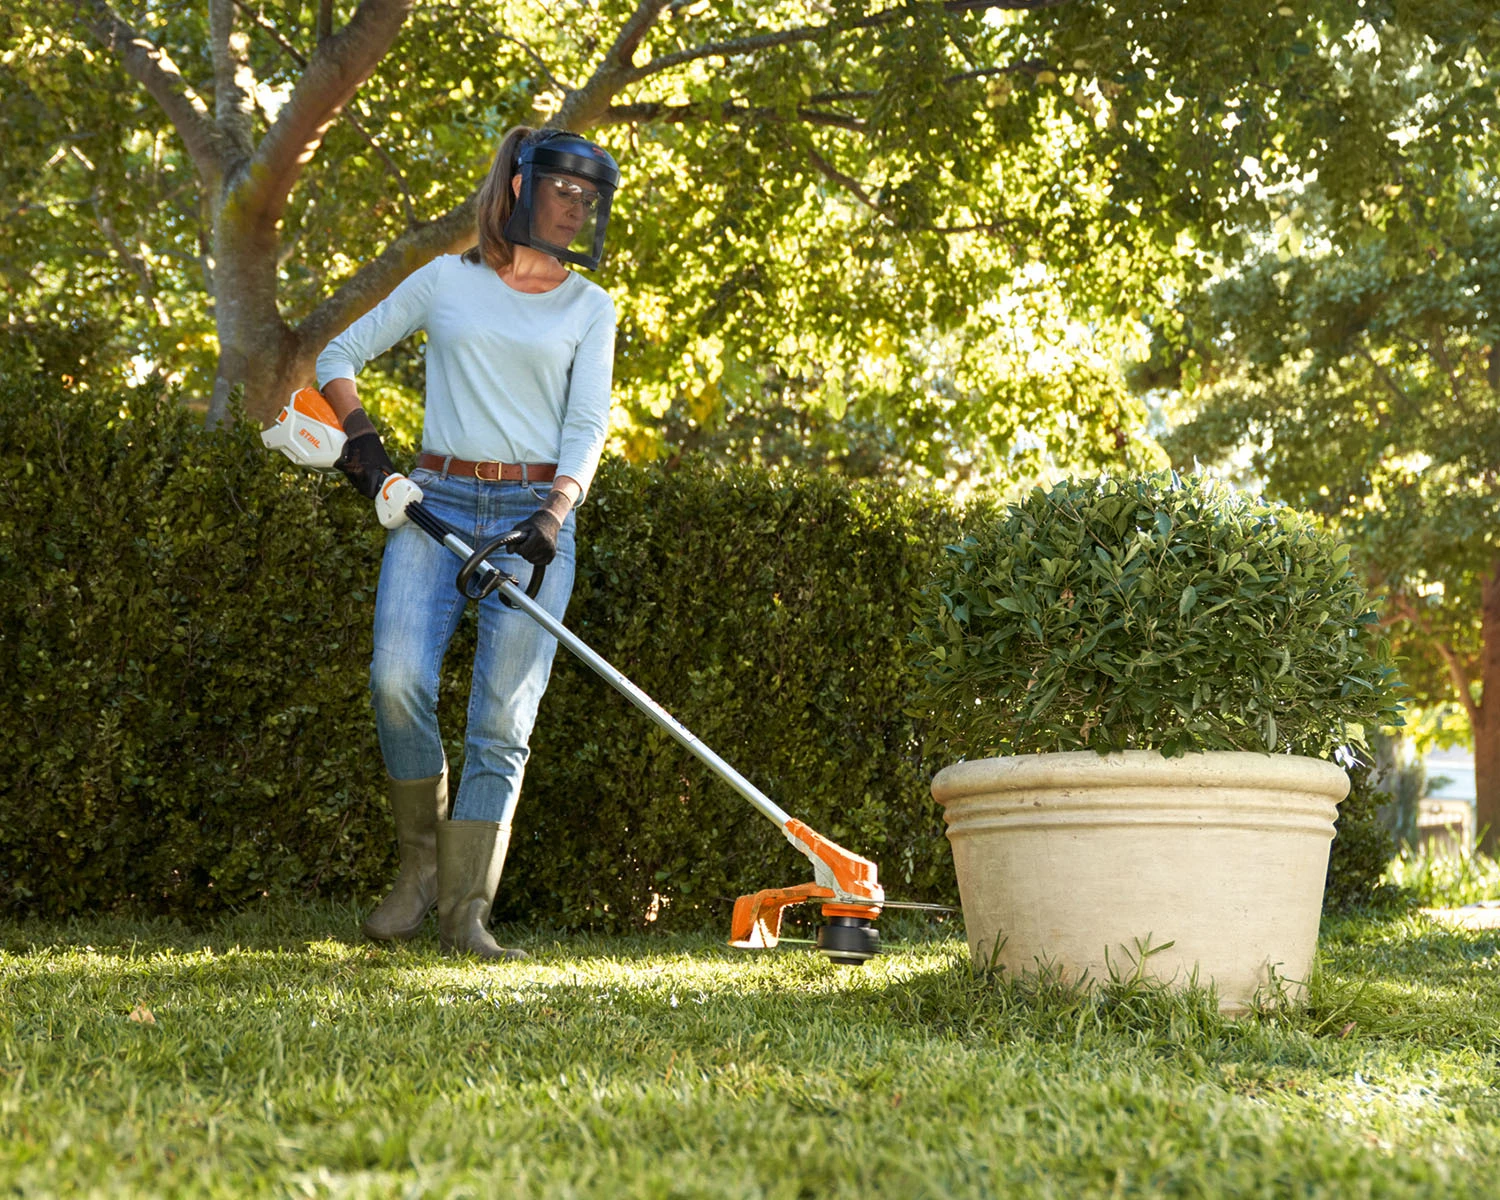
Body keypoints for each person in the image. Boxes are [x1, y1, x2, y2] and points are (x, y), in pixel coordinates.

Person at [314, 126, 621, 960]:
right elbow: (338, 354)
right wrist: (364, 444)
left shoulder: (590, 306)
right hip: (435, 502)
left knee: (502, 719)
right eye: (563, 191)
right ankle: (421, 869)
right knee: (397, 680)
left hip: (533, 516)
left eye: (588, 198)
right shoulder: (447, 280)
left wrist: (555, 510)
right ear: (520, 186)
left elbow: (587, 424)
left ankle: (466, 912)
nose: (576, 209)